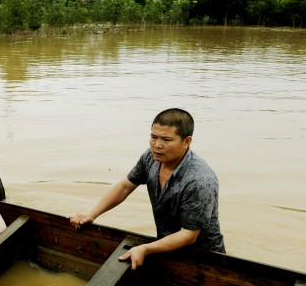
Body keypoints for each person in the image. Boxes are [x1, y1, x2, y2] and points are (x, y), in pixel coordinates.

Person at [69, 108, 225, 269]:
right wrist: (92, 214)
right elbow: (125, 186)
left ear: (187, 142)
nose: (157, 145)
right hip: (165, 247)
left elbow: (188, 235)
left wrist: (145, 248)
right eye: (153, 137)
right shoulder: (150, 158)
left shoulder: (199, 180)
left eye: (166, 139)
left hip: (205, 258)